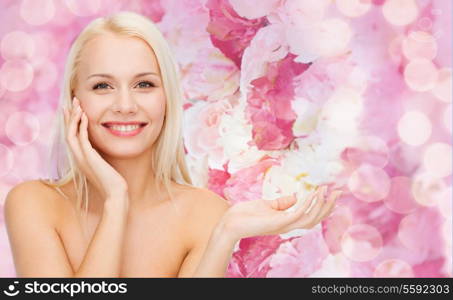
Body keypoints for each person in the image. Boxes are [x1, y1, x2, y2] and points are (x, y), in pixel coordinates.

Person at [3, 11, 342, 278]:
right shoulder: (33, 204)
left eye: (144, 84)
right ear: (75, 100)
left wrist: (226, 233)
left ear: (167, 97)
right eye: (103, 86)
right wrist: (115, 201)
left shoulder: (205, 214)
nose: (125, 105)